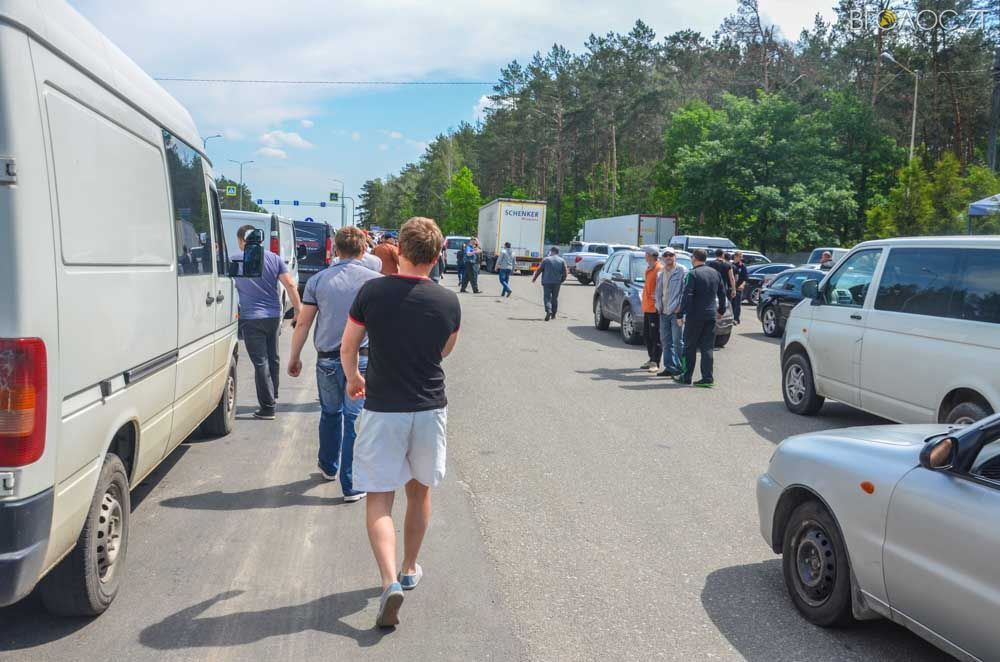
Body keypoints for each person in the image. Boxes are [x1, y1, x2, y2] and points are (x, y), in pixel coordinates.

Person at [341, 216, 461, 628]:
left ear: (400, 251)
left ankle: (389, 580)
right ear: (437, 254)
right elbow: (445, 349)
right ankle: (410, 566)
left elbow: (349, 344)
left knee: (378, 496)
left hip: (382, 408)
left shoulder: (371, 292)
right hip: (429, 408)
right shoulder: (448, 301)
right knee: (419, 491)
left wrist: (355, 377)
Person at [287, 226, 380, 502]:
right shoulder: (375, 282)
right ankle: (350, 485)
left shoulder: (318, 280)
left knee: (330, 412)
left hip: (327, 359)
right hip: (362, 360)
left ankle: (329, 465)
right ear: (364, 249)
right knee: (353, 418)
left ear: (335, 250)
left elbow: (303, 322)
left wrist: (295, 356)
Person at [233, 224, 302, 419]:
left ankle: (268, 406)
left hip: (250, 318)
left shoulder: (235, 260)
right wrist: (298, 310)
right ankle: (273, 394)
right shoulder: (275, 259)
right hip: (273, 317)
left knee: (260, 362)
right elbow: (289, 284)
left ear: (241, 241)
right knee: (273, 357)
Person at [675, 248, 726, 388]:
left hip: (695, 316)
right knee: (707, 348)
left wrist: (680, 314)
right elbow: (723, 293)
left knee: (689, 347)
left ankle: (686, 376)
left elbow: (687, 296)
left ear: (694, 258)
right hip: (711, 315)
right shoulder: (715, 273)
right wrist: (721, 310)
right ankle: (707, 378)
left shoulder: (693, 274)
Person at [654, 248, 687, 377]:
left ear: (675, 256)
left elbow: (685, 291)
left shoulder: (682, 271)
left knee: (678, 341)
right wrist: (658, 305)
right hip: (663, 312)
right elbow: (658, 292)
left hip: (676, 312)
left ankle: (682, 368)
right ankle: (669, 367)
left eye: (671, 255)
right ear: (663, 258)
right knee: (666, 341)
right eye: (666, 255)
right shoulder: (661, 273)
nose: (668, 257)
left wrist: (680, 306)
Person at [639, 247, 662, 372]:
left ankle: (655, 362)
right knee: (647, 335)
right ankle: (651, 358)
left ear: (652, 255)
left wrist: (658, 297)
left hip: (655, 308)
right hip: (647, 307)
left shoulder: (659, 269)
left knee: (655, 336)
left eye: (646, 254)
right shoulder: (649, 268)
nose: (645, 256)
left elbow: (662, 287)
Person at [531, 246, 568, 321]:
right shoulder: (562, 261)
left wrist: (534, 278)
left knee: (547, 297)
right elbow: (565, 272)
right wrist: (562, 280)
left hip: (547, 282)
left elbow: (539, 270)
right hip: (557, 282)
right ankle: (553, 315)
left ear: (552, 251)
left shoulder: (546, 259)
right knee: (555, 298)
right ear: (558, 252)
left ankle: (548, 310)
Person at [731, 251, 749, 325]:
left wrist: (742, 285)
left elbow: (745, 278)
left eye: (741, 257)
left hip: (738, 287)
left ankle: (736, 319)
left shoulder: (742, 266)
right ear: (735, 256)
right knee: (731, 304)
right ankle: (730, 318)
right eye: (739, 256)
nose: (741, 258)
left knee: (737, 304)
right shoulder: (731, 265)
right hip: (731, 287)